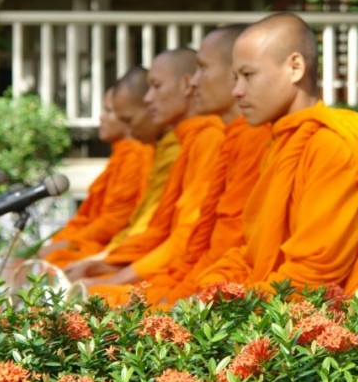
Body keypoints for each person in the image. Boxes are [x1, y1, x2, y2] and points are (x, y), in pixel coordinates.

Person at [196, 12, 358, 296]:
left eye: (248, 75)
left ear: (295, 67)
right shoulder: (281, 143)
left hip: (321, 323)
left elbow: (317, 273)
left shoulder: (330, 144)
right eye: (235, 78)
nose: (237, 91)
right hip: (272, 301)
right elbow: (256, 251)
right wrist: (212, 286)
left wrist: (236, 300)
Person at [67, 47, 225, 296]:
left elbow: (186, 238)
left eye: (157, 86)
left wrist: (114, 273)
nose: (148, 98)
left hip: (201, 276)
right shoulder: (189, 143)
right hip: (167, 266)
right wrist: (103, 262)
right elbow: (156, 229)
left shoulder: (210, 140)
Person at [139, 24, 271, 309]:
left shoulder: (247, 138)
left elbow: (235, 245)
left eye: (203, 68)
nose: (195, 82)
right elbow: (196, 242)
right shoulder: (225, 138)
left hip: (244, 295)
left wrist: (174, 300)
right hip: (197, 278)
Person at [40, 67, 158, 267]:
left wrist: (68, 243)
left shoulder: (136, 154)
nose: (101, 117)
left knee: (55, 264)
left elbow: (116, 220)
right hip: (103, 245)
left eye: (109, 111)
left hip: (112, 247)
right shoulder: (122, 155)